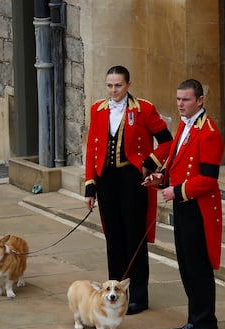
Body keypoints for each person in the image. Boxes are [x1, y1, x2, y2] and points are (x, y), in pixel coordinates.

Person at [84, 65, 173, 315]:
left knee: (134, 238)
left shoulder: (143, 109)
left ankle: (140, 296)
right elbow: (92, 148)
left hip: (132, 179)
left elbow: (167, 141)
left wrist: (149, 163)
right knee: (113, 238)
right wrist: (90, 186)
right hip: (107, 181)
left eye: (118, 85)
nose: (113, 90)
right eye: (110, 85)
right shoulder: (97, 109)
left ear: (128, 85)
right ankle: (115, 293)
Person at [143, 79, 224, 329]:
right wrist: (160, 180)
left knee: (199, 267)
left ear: (200, 100)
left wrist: (177, 191)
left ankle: (206, 325)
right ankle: (194, 319)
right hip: (184, 206)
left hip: (199, 209)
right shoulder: (184, 126)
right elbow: (175, 165)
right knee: (186, 266)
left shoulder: (209, 131)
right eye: (178, 99)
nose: (180, 104)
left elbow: (209, 178)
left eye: (186, 100)